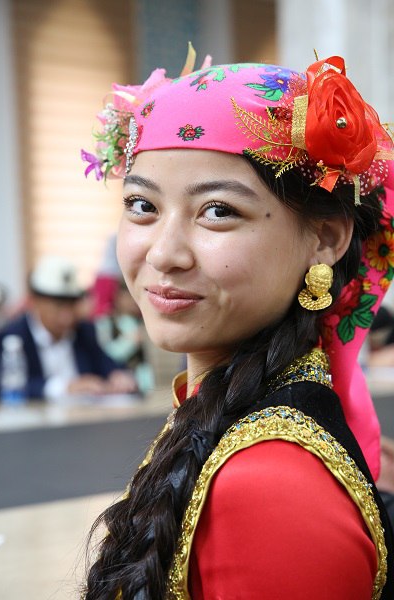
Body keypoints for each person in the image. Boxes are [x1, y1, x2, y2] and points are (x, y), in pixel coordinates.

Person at [80, 48, 394, 598]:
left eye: (218, 211)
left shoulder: (269, 488)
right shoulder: (225, 416)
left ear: (325, 238)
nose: (164, 253)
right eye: (142, 205)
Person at [0, 255, 137, 400]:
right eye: (58, 306)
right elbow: (2, 384)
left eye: (72, 306)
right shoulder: (10, 338)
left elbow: (106, 363)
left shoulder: (84, 331)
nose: (67, 316)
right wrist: (64, 387)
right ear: (34, 302)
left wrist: (117, 375)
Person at [95, 278, 155, 395]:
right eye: (128, 296)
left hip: (143, 384)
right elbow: (105, 353)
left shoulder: (143, 322)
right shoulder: (106, 322)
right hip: (117, 383)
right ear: (118, 297)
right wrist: (130, 342)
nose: (132, 301)